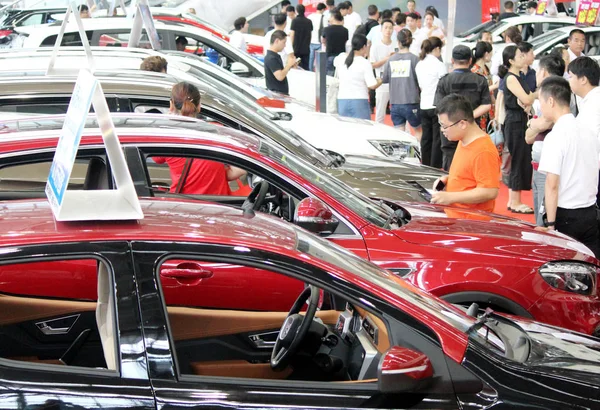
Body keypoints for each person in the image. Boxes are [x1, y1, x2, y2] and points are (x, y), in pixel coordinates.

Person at [538, 76, 600, 257]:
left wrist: (550, 225)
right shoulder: (587, 131)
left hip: (565, 216)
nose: (540, 107)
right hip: (589, 211)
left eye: (541, 101)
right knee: (587, 267)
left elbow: (552, 184)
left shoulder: (556, 136)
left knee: (563, 272)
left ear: (551, 101)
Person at [153, 82, 246, 196]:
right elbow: (240, 169)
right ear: (199, 106)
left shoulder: (166, 136)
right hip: (220, 205)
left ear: (171, 105)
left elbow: (157, 159)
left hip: (186, 206)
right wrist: (216, 175)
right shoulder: (218, 132)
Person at [430, 94, 500, 212]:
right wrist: (448, 179)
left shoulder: (483, 151)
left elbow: (489, 191)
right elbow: (468, 176)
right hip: (457, 218)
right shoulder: (463, 140)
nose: (442, 130)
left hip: (471, 223)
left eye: (444, 126)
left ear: (462, 124)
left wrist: (450, 197)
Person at [434, 45, 491, 170]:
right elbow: (487, 105)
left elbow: (439, 107)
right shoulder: (480, 80)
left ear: (452, 60)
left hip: (449, 129)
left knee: (450, 163)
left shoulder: (445, 81)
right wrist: (468, 117)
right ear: (470, 60)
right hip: (471, 128)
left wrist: (454, 120)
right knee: (473, 161)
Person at [525, 54, 565, 226]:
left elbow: (543, 123)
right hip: (538, 162)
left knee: (544, 217)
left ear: (544, 72)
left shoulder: (557, 95)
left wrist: (532, 123)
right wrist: (534, 125)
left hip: (548, 166)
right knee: (538, 211)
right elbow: (528, 137)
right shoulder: (546, 93)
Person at [499, 45, 538, 214]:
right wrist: (539, 93)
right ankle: (515, 201)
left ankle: (513, 199)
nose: (523, 58)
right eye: (520, 56)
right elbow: (527, 98)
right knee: (517, 159)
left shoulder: (518, 76)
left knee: (520, 158)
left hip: (519, 119)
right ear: (511, 61)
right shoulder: (511, 78)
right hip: (514, 121)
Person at [568, 57, 600, 205]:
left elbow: (590, 143)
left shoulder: (593, 105)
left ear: (583, 79)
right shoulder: (589, 100)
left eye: (571, 76)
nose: (569, 80)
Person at [382, 29, 422, 139]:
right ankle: (419, 154)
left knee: (400, 135)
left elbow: (384, 79)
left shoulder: (390, 60)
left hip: (395, 102)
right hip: (411, 101)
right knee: (418, 132)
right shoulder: (415, 59)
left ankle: (404, 156)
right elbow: (420, 80)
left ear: (398, 42)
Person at [416, 36, 446, 167]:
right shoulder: (439, 65)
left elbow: (421, 85)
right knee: (436, 138)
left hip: (424, 103)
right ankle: (434, 166)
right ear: (437, 49)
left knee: (426, 137)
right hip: (436, 104)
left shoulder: (419, 64)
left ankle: (425, 164)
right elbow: (443, 85)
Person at [335, 34, 382, 119]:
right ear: (364, 46)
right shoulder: (364, 62)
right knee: (363, 129)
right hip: (359, 100)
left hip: (342, 99)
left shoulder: (341, 59)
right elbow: (372, 85)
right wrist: (380, 80)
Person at [369, 19, 395, 124]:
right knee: (380, 112)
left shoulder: (396, 44)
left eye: (390, 27)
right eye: (386, 27)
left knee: (399, 111)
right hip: (381, 81)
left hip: (396, 81)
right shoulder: (375, 46)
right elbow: (372, 65)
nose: (388, 30)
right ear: (381, 29)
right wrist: (387, 59)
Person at [471, 41, 497, 133]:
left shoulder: (486, 68)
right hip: (480, 108)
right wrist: (495, 86)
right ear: (486, 54)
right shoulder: (475, 71)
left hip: (489, 108)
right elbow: (480, 91)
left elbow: (490, 92)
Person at [264, 30, 297, 95]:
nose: (284, 46)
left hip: (278, 94)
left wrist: (290, 66)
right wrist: (288, 65)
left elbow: (280, 72)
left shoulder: (274, 56)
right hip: (277, 95)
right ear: (277, 41)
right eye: (284, 42)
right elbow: (280, 76)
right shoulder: (271, 58)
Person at [321, 10, 348, 76]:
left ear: (333, 17)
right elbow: (345, 42)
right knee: (340, 74)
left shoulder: (326, 29)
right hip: (341, 56)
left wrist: (326, 43)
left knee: (330, 74)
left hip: (330, 54)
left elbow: (323, 40)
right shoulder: (345, 30)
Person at [289, 4, 312, 70]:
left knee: (296, 66)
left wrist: (291, 46)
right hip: (306, 48)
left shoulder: (294, 21)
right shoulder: (309, 21)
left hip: (296, 48)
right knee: (305, 66)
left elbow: (292, 35)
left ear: (296, 11)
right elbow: (310, 35)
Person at [308, 3, 326, 71]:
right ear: (322, 9)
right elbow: (325, 29)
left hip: (311, 39)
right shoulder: (323, 17)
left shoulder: (310, 16)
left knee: (311, 58)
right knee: (319, 58)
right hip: (320, 41)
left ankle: (310, 71)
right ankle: (319, 71)